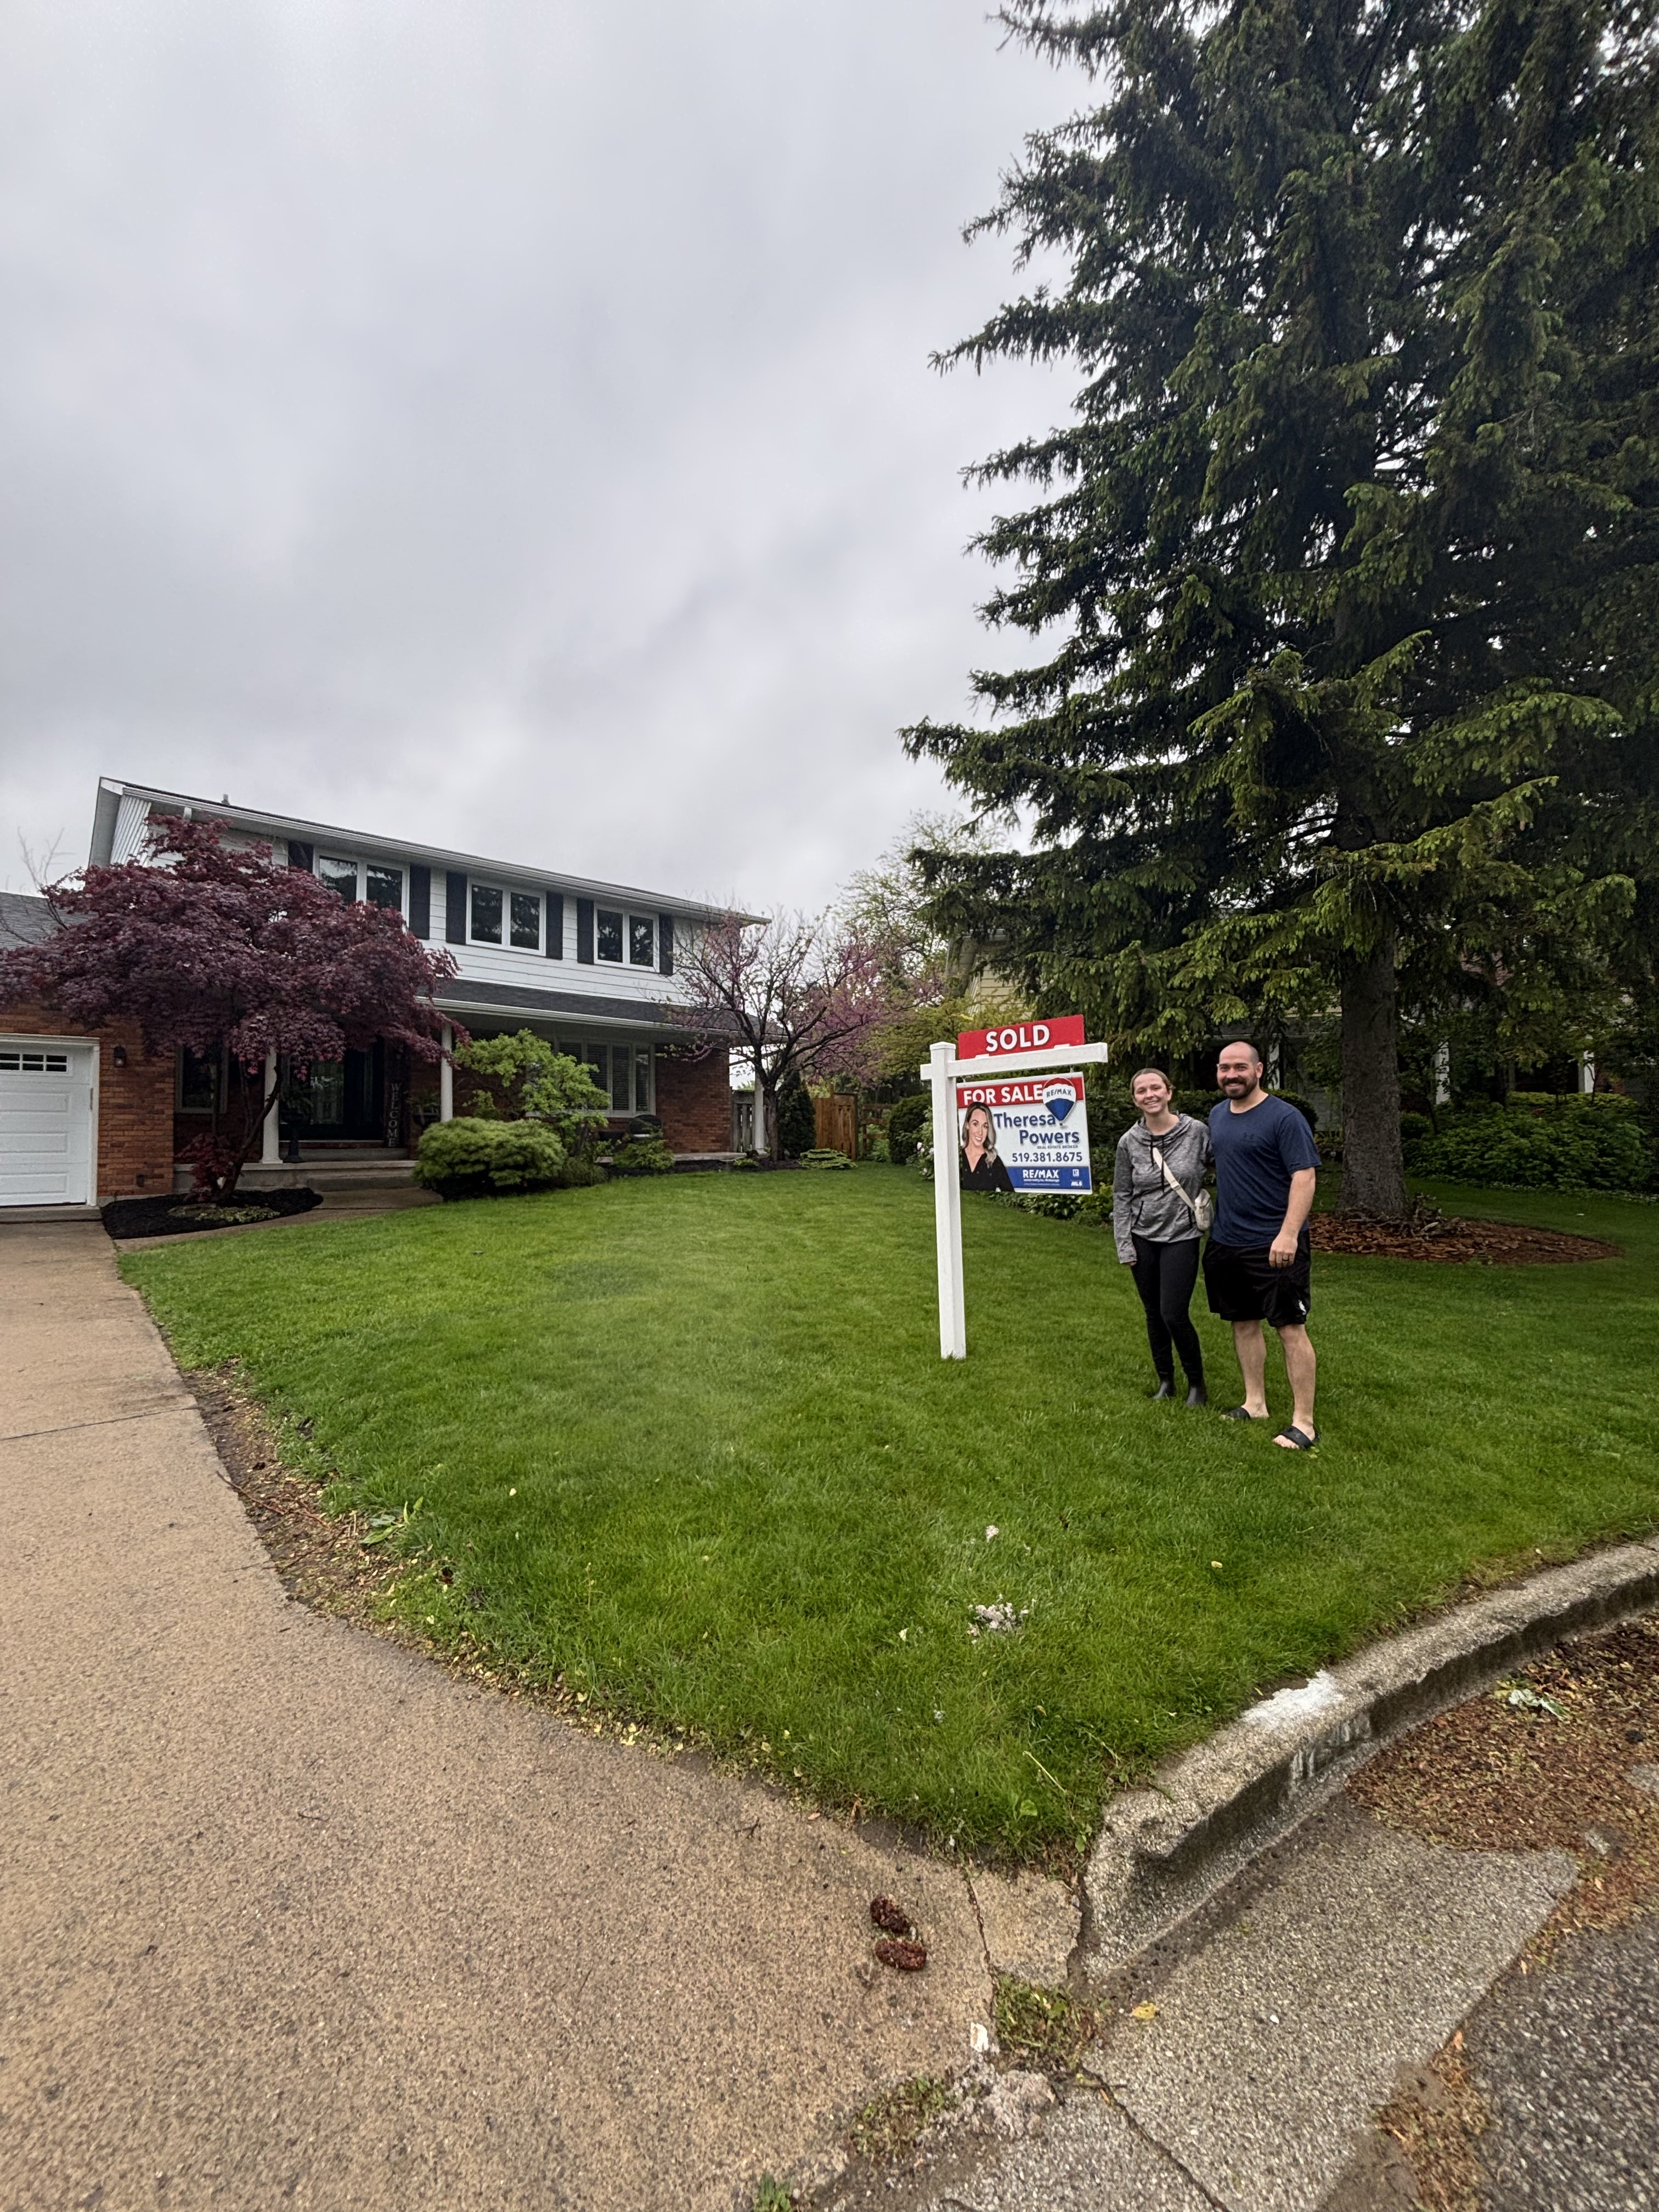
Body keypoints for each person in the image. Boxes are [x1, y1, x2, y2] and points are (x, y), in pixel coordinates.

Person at [1202, 1041, 1322, 1447]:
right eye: (1224, 1068)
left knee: (1290, 1327)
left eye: (1239, 1067)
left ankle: (1304, 1422)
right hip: (1227, 1240)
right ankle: (1255, 1403)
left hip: (1275, 1242)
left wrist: (1289, 1233)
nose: (1231, 1075)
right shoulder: (1218, 1115)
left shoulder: (1285, 1118)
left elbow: (1304, 1177)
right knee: (1242, 1322)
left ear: (1259, 1070)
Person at [1113, 1067, 1212, 1405]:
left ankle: (1197, 1385)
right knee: (1153, 1313)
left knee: (1174, 1312)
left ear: (1169, 1092)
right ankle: (1166, 1382)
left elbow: (1224, 1166)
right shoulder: (1129, 1142)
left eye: (1156, 1088)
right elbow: (1122, 1195)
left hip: (1182, 1236)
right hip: (1143, 1237)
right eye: (1142, 1091)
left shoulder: (1196, 1132)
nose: (1150, 1095)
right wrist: (1124, 1244)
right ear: (1135, 1100)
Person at [959, 1099, 1014, 1193]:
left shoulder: (993, 1161)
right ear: (967, 1125)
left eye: (985, 1126)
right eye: (975, 1124)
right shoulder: (957, 1157)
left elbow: (1010, 1192)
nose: (980, 1132)